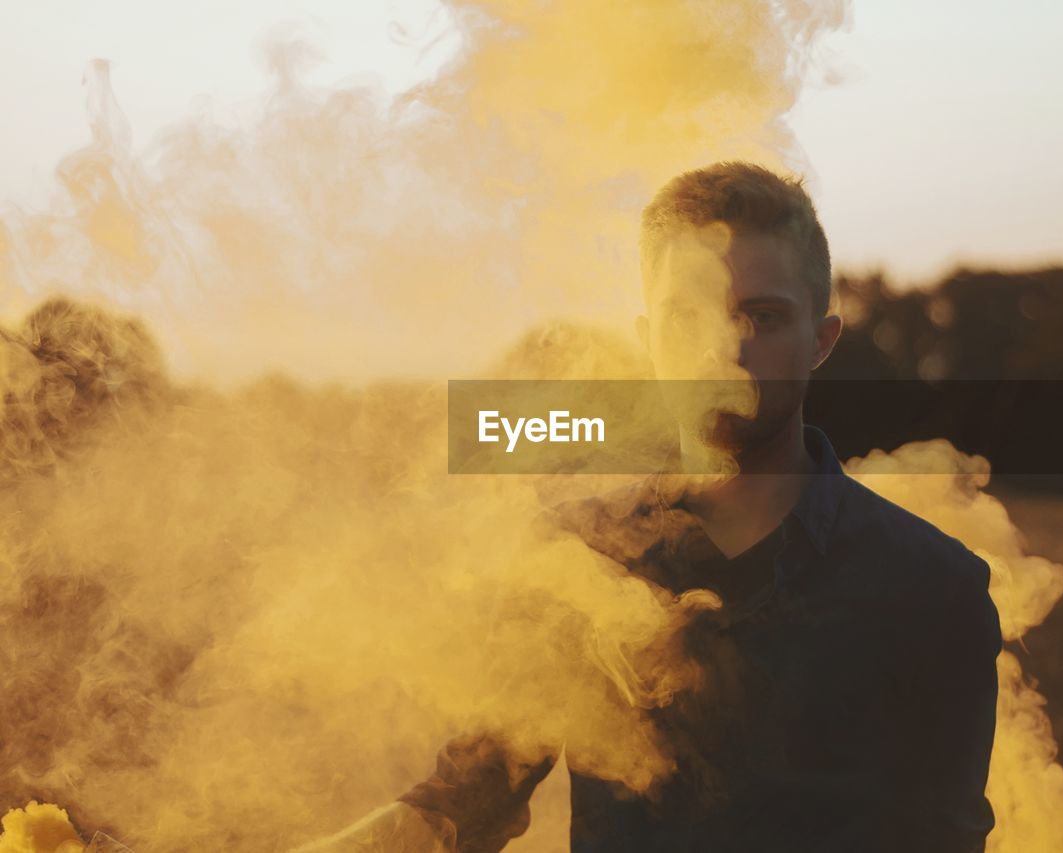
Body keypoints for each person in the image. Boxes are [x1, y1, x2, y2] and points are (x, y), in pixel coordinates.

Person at [295, 162, 1002, 852]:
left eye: (763, 317)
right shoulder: (574, 553)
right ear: (649, 339)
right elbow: (464, 804)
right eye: (688, 316)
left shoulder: (934, 588)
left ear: (821, 340)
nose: (724, 350)